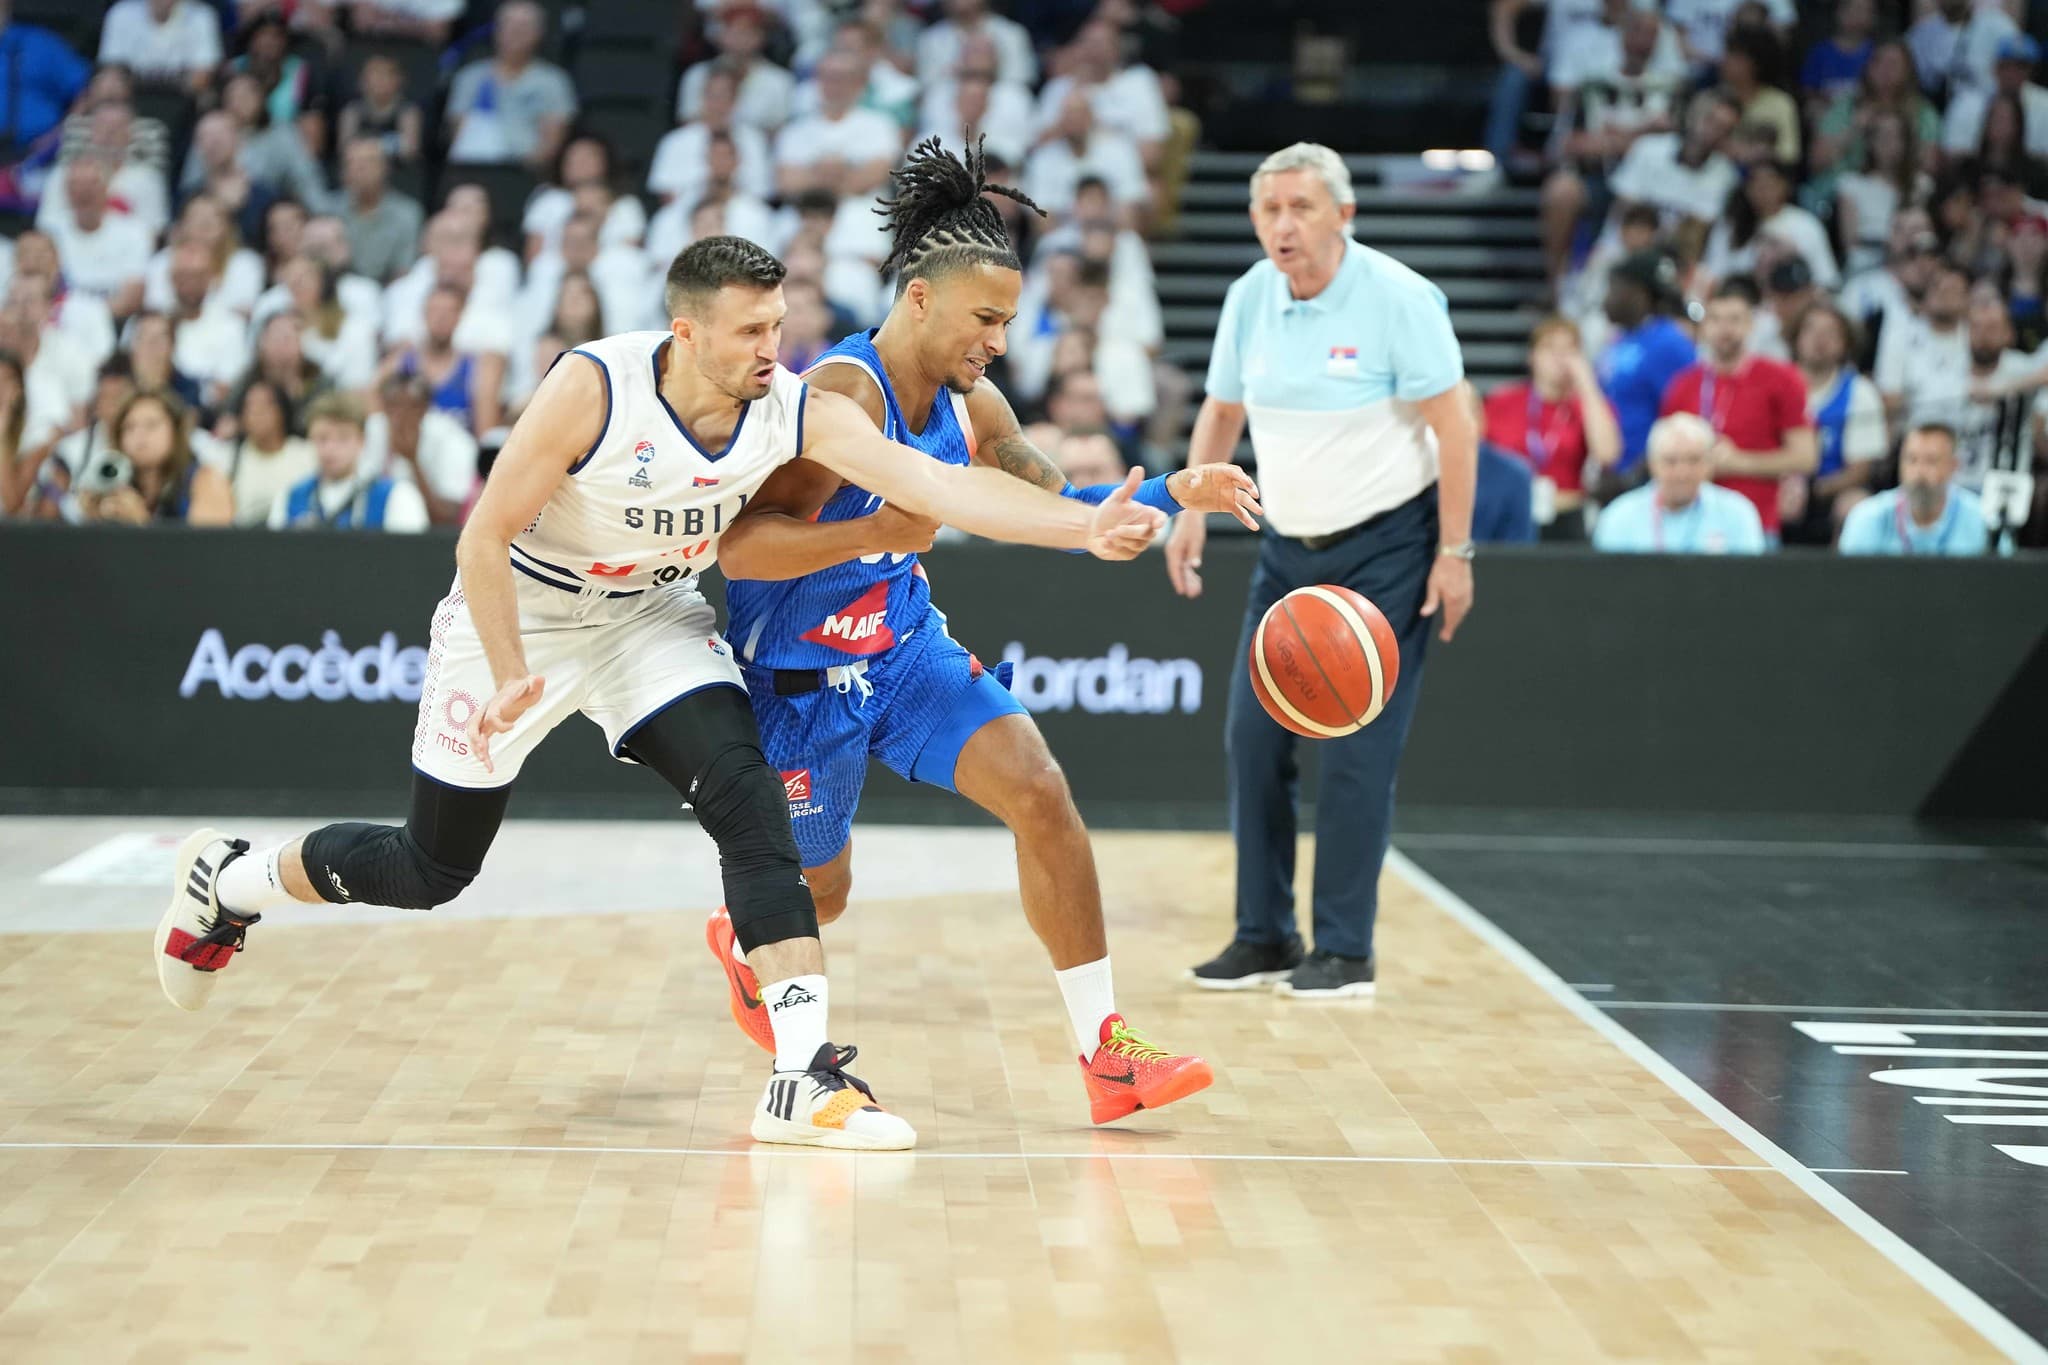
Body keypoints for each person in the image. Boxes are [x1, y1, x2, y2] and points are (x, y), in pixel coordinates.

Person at [152, 235, 1167, 1155]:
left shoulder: (797, 403)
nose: (774, 347)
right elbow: (482, 535)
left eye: (779, 324)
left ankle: (801, 1076)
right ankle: (235, 881)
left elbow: (940, 486)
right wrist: (510, 672)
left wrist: (1084, 526)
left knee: (745, 793)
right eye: (750, 331)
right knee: (431, 867)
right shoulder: (592, 388)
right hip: (526, 617)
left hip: (646, 616)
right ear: (684, 333)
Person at [715, 141, 1247, 1122]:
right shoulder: (843, 393)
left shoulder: (973, 401)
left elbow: (1064, 499)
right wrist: (877, 529)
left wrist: (1172, 491)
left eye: (1006, 320)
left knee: (1040, 790)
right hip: (796, 683)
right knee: (818, 896)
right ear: (919, 298)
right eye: (985, 317)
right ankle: (745, 932)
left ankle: (1104, 1054)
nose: (999, 340)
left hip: (903, 650)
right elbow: (743, 550)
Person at [1167, 143, 1475, 999]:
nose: (1283, 225)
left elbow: (1457, 428)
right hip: (1285, 550)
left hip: (1389, 548)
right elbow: (1222, 409)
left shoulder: (1399, 299)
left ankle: (1345, 950)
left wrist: (1455, 553)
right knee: (1253, 738)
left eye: (1301, 207)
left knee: (1356, 750)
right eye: (1269, 210)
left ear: (1344, 214)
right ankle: (1264, 934)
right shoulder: (1248, 298)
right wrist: (1191, 508)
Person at [1658, 277, 1815, 540]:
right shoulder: (1683, 385)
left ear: (1751, 324)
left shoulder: (1781, 379)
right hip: (1689, 527)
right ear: (1704, 327)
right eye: (1716, 320)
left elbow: (1805, 456)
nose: (1724, 329)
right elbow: (1663, 452)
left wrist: (1740, 462)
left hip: (1755, 524)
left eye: (1734, 320)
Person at [1483, 315, 1620, 540]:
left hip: (1565, 514)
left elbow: (1607, 455)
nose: (1559, 358)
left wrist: (1587, 385)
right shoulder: (1503, 402)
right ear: (1532, 356)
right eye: (1550, 348)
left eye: (1569, 350)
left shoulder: (1588, 406)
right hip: (1509, 512)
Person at [1591, 412, 1766, 553]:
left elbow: (1749, 585)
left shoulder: (1738, 513)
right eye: (1671, 461)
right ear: (1652, 464)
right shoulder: (1619, 516)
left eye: (1694, 460)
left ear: (1709, 464)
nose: (1682, 473)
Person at [1784, 303, 1886, 545]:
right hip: (1781, 485)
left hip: (1831, 491)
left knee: (1855, 506)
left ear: (1845, 343)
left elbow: (1860, 470)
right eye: (1811, 330)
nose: (1820, 340)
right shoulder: (1775, 385)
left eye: (1831, 333)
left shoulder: (1860, 392)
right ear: (1796, 337)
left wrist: (1815, 490)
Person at [1594, 250, 1695, 476]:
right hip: (1610, 469)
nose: (1606, 299)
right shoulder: (1619, 339)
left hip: (1645, 478)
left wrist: (1635, 476)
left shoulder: (1669, 343)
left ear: (1638, 293)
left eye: (1614, 288)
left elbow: (1679, 419)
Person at [269, 392, 428, 532]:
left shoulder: (397, 496)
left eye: (342, 438)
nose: (330, 449)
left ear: (362, 441)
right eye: (322, 438)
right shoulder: (290, 497)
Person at [77, 389, 232, 526]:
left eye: (151, 425)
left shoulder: (204, 480)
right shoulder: (116, 485)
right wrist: (94, 518)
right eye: (129, 427)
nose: (139, 435)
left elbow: (208, 551)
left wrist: (141, 522)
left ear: (175, 430)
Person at [1838, 422, 1986, 555]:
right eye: (1911, 460)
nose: (1919, 472)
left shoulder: (1982, 520)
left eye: (1931, 461)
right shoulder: (1867, 517)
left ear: (1953, 466)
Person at [223, 376, 315, 527]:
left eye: (265, 405)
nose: (256, 413)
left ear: (282, 411)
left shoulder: (307, 454)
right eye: (249, 406)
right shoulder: (229, 459)